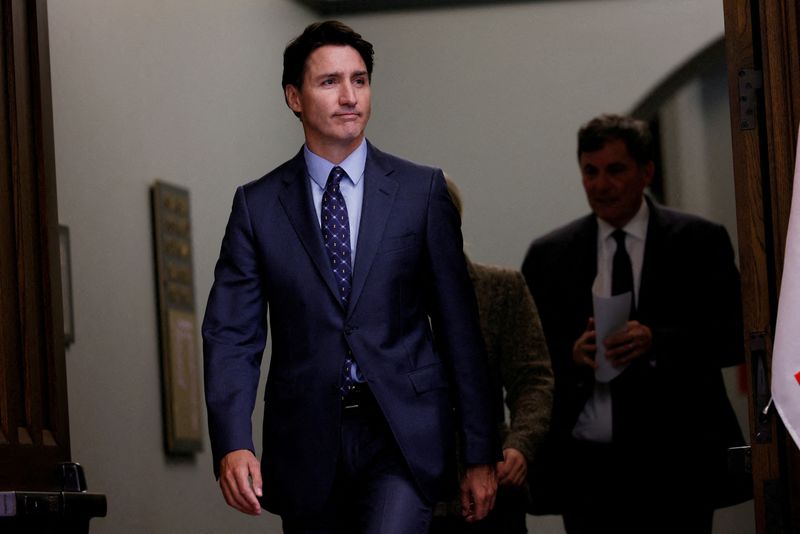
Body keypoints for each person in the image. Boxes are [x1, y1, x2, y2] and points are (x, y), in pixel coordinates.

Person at [202, 21, 500, 534]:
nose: (349, 97)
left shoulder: (420, 191)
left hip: (403, 435)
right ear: (294, 97)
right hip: (305, 444)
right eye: (329, 82)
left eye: (360, 80)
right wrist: (233, 442)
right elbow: (232, 335)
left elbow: (459, 330)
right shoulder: (256, 207)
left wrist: (479, 451)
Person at [521, 114, 745, 533]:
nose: (601, 185)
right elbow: (526, 356)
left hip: (679, 455)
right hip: (588, 463)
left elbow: (734, 336)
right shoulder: (550, 255)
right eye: (591, 171)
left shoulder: (699, 241)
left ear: (646, 172)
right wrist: (571, 353)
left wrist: (657, 341)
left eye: (615, 170)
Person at [428, 178, 554, 534]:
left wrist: (520, 445)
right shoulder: (386, 299)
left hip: (492, 481)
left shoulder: (500, 288)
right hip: (413, 489)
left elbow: (533, 378)